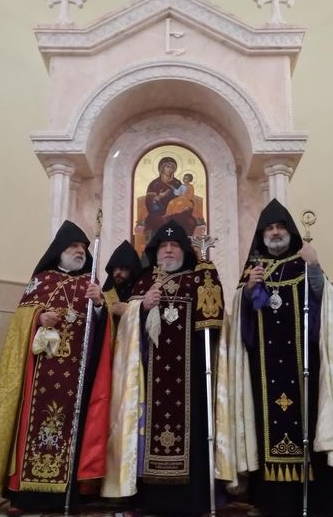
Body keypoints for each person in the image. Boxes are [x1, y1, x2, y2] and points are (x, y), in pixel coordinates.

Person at [216, 199, 333, 516]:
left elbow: (324, 303)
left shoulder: (304, 264)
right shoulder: (255, 271)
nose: (275, 232)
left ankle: (316, 500)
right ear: (262, 235)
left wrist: (315, 266)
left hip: (304, 367)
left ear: (290, 232)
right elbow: (242, 326)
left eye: (280, 227)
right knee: (266, 429)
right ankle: (271, 501)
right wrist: (248, 292)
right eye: (269, 228)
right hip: (263, 372)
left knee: (309, 427)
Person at [0, 220, 111, 516]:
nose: (80, 251)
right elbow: (21, 321)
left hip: (78, 374)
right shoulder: (41, 280)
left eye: (83, 247)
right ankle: (26, 497)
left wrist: (99, 305)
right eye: (74, 246)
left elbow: (103, 329)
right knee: (32, 428)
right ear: (59, 250)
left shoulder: (91, 283)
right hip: (40, 374)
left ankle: (69, 495)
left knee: (75, 430)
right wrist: (38, 318)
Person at [103, 219, 224, 516]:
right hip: (149, 377)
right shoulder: (145, 281)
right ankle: (150, 498)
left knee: (194, 430)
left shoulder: (197, 277)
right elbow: (124, 323)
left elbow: (214, 319)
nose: (169, 250)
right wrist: (141, 306)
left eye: (175, 245)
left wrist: (209, 278)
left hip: (191, 375)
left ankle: (191, 497)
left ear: (184, 250)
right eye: (164, 246)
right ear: (155, 252)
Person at [144, 157, 198, 236]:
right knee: (160, 221)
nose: (170, 169)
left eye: (172, 167)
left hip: (176, 212)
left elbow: (186, 198)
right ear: (162, 168)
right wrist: (159, 197)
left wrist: (188, 207)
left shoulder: (177, 183)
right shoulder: (154, 184)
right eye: (167, 167)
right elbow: (150, 204)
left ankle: (184, 242)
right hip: (159, 213)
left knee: (191, 221)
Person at [101, 239, 142, 320]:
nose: (118, 273)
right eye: (115, 269)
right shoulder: (109, 294)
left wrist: (128, 312)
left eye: (123, 269)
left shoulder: (139, 292)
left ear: (132, 271)